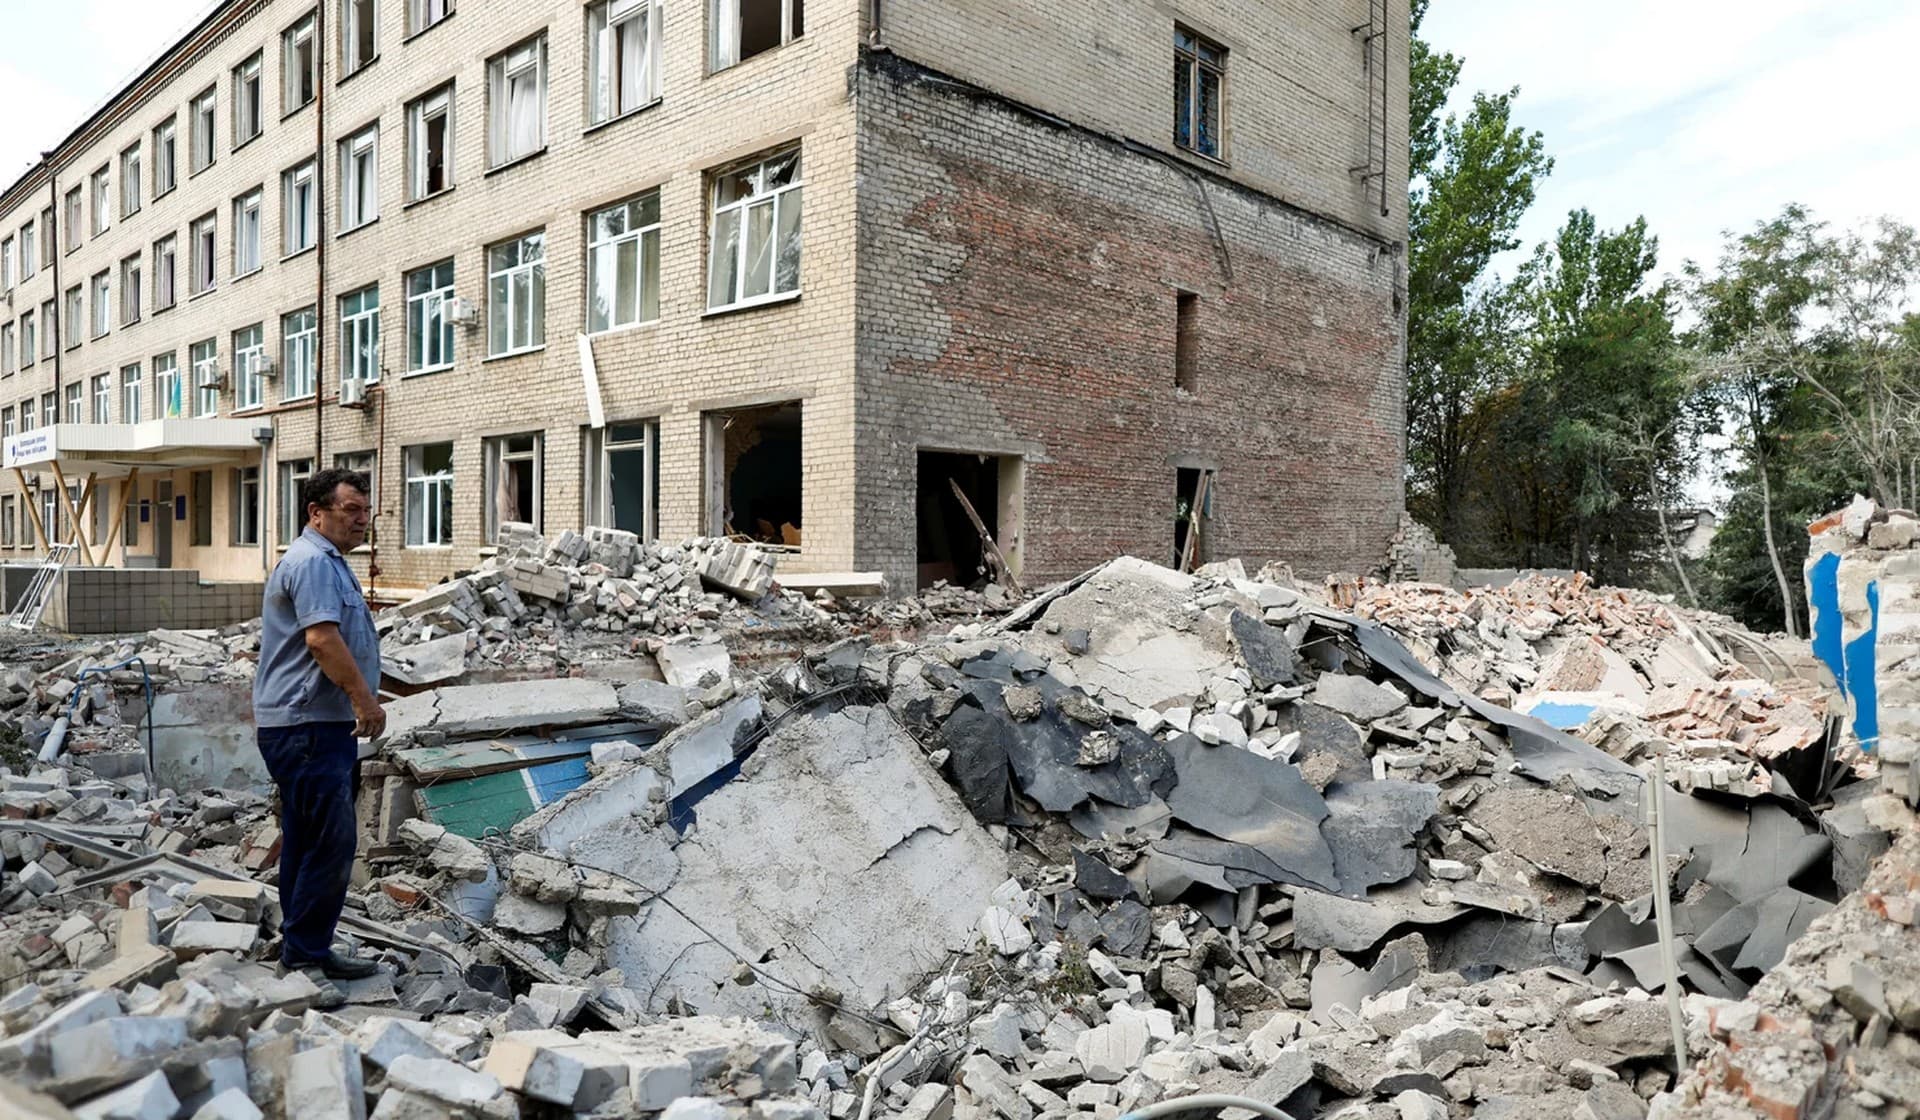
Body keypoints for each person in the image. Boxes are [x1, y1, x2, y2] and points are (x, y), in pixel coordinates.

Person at [252, 467, 386, 993]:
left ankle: (307, 947)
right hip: (306, 725)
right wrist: (365, 701)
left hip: (316, 725)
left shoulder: (330, 563)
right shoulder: (311, 562)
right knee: (332, 842)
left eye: (365, 510)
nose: (363, 520)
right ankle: (303, 960)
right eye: (351, 510)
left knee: (309, 841)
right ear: (316, 513)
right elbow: (323, 642)